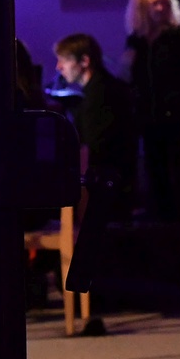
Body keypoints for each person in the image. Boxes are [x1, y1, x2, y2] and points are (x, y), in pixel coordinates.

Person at [123, 0, 180, 221]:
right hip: (148, 114)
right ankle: (159, 219)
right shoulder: (136, 40)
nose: (160, 9)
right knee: (153, 167)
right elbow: (131, 78)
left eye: (163, 3)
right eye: (153, 5)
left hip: (177, 112)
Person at [54, 33, 138, 221]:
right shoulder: (102, 88)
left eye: (64, 61)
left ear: (84, 61)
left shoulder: (100, 95)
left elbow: (91, 149)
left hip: (109, 193)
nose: (58, 67)